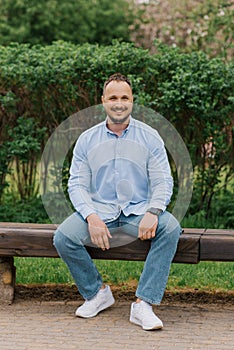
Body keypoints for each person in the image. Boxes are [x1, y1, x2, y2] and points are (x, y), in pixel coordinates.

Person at [53, 73, 181, 331]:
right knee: (63, 237)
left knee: (170, 228)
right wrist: (91, 216)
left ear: (132, 101)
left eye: (125, 97)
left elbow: (163, 181)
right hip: (100, 212)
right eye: (113, 97)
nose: (119, 103)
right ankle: (96, 293)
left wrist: (154, 211)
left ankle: (143, 304)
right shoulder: (87, 139)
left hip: (138, 213)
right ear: (103, 101)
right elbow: (76, 183)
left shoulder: (150, 136)